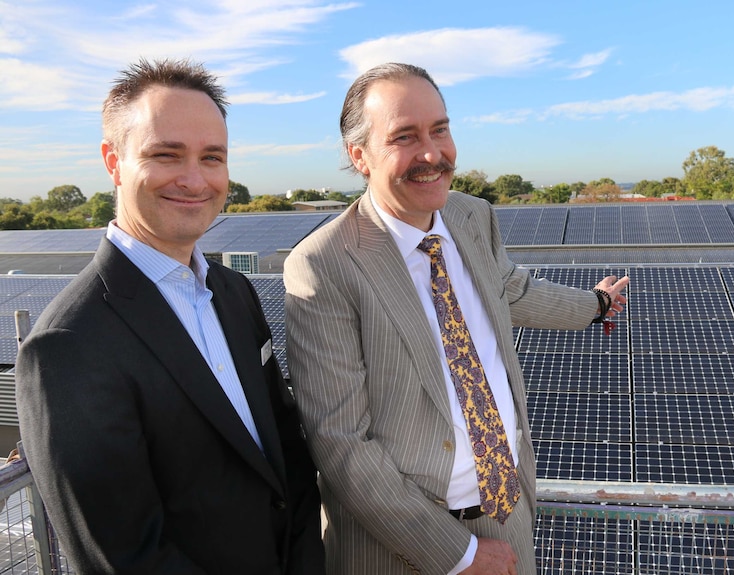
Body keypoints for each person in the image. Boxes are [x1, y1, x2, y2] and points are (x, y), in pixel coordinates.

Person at [283, 62, 629, 575]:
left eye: (439, 129)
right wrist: (458, 554)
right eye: (404, 136)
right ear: (360, 155)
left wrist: (594, 305)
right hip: (398, 546)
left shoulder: (472, 216)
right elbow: (341, 445)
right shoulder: (323, 265)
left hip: (506, 513)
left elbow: (514, 291)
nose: (432, 153)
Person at [15, 58, 324, 574]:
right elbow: (126, 556)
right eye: (166, 154)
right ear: (113, 161)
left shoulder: (234, 292)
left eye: (212, 157)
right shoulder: (67, 343)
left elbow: (286, 455)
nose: (194, 179)